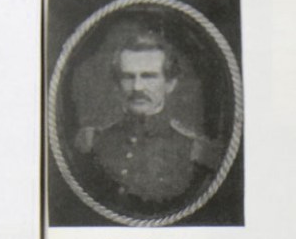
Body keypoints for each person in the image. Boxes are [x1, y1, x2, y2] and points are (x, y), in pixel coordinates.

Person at [74, 31, 220, 213]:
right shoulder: (93, 142)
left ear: (170, 83)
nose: (137, 87)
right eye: (128, 77)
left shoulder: (196, 151)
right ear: (118, 83)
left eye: (148, 76)